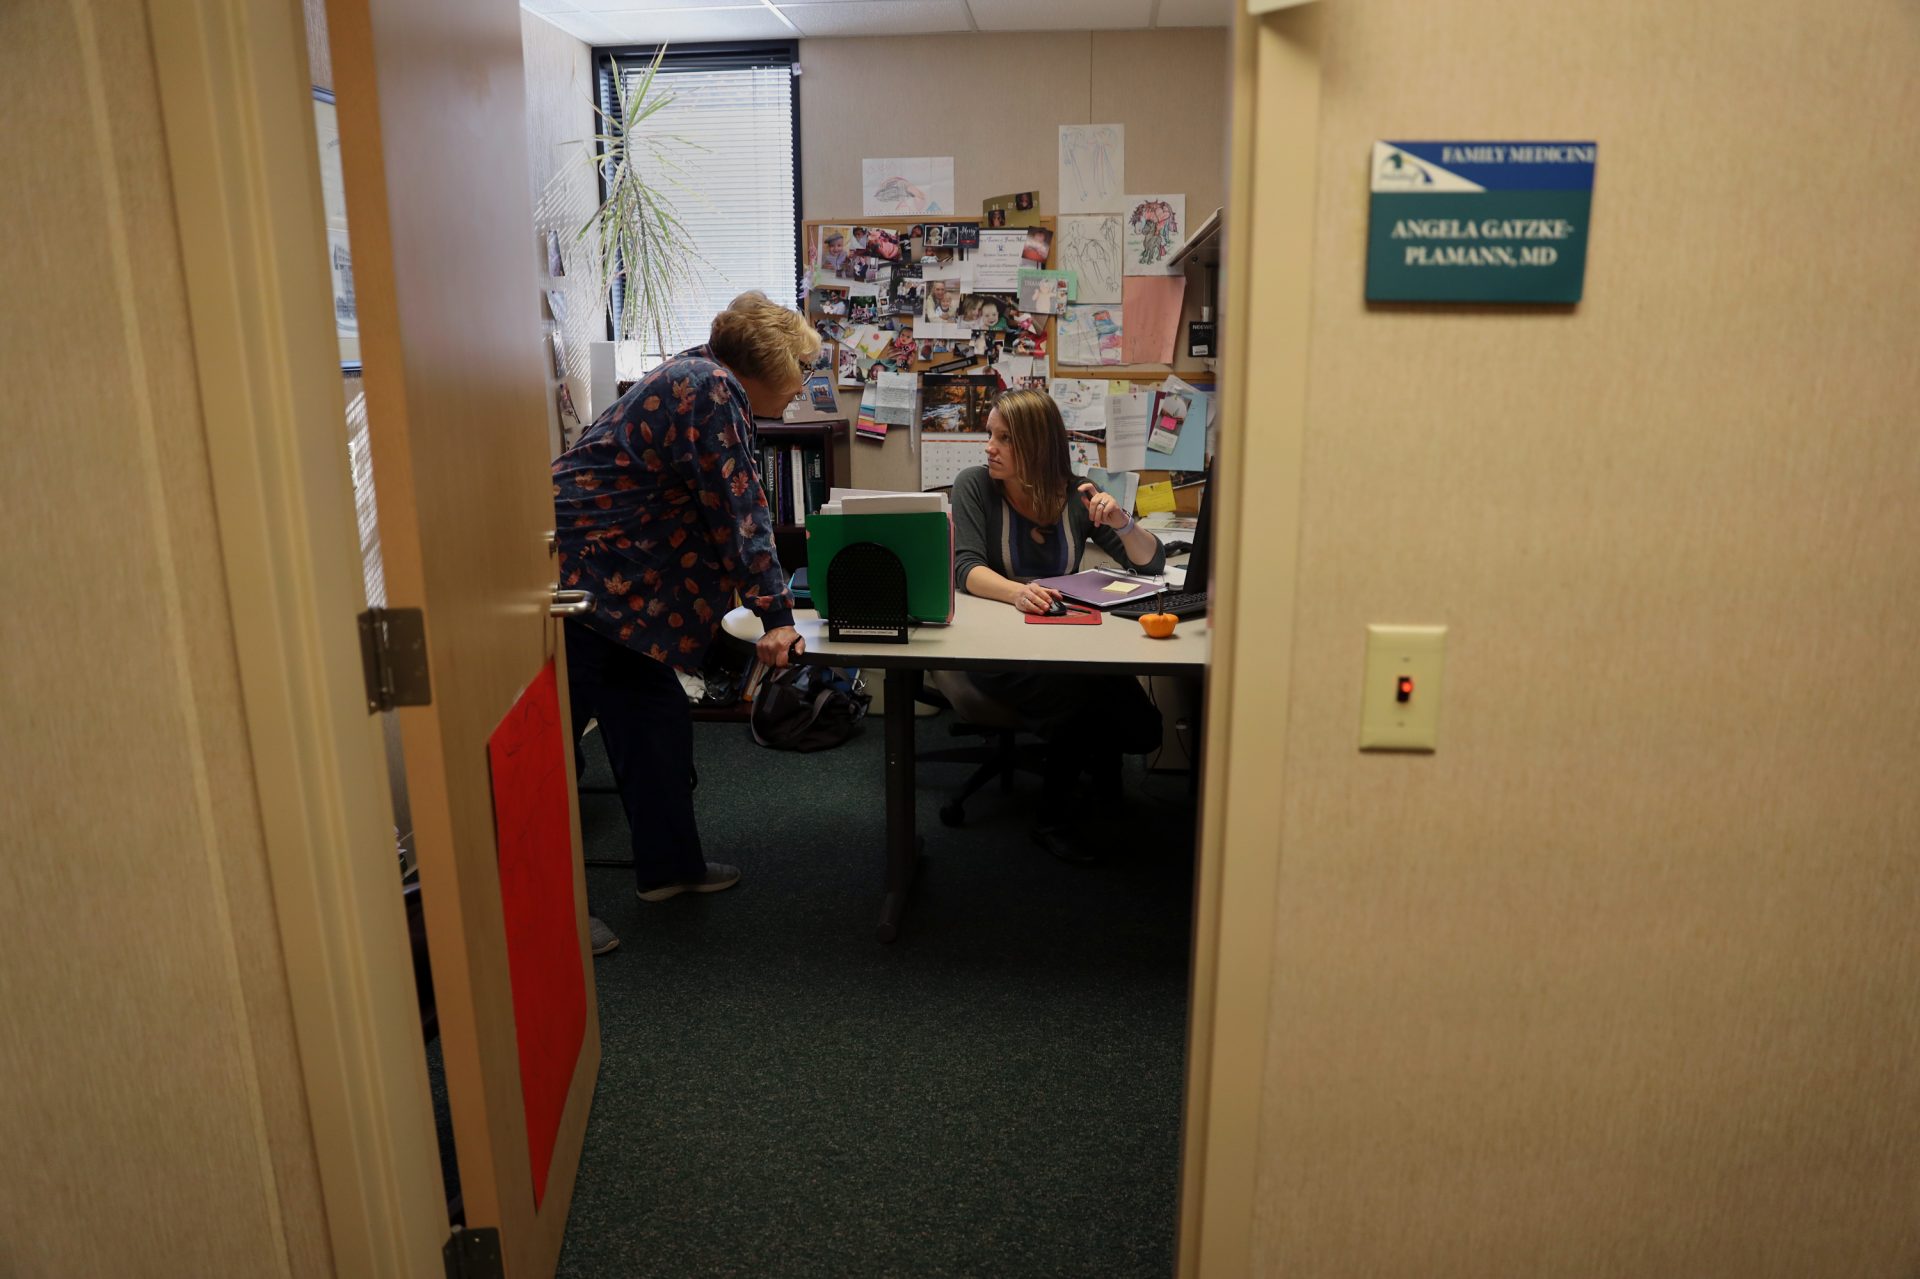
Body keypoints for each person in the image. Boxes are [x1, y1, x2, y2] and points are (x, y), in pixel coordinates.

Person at [552, 292, 816, 945]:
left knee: (656, 728)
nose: (803, 385)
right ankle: (544, 918)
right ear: (769, 363)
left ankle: (669, 867)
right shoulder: (709, 387)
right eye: (801, 370)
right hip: (580, 587)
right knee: (546, 760)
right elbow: (739, 503)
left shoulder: (703, 378)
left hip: (624, 600)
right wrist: (776, 615)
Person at [948, 389, 1167, 862]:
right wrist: (1016, 591)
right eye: (990, 435)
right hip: (999, 646)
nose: (990, 446)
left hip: (1068, 638)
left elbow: (1151, 564)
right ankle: (1054, 818)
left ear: (1038, 444)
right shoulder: (974, 485)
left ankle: (1098, 790)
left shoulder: (1076, 493)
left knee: (1145, 729)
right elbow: (964, 567)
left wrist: (1123, 524)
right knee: (1081, 699)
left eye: (1004, 438)